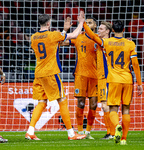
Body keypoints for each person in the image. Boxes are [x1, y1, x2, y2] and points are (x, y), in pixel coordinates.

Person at [25, 11, 87, 140]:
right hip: (50, 73)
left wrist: (64, 30)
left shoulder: (33, 37)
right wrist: (81, 22)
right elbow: (75, 35)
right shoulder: (53, 35)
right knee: (62, 101)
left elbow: (51, 45)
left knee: (42, 102)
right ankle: (71, 133)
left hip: (38, 74)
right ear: (48, 23)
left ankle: (30, 132)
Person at [83, 20, 143, 145]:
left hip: (113, 80)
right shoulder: (130, 44)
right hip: (127, 79)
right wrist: (139, 84)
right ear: (124, 30)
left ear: (113, 31)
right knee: (126, 109)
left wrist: (83, 23)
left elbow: (92, 36)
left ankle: (116, 126)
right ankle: (124, 140)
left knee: (113, 108)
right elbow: (136, 64)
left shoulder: (106, 42)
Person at [61, 16, 98, 139]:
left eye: (90, 23)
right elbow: (61, 42)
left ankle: (88, 132)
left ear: (95, 26)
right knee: (81, 103)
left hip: (95, 76)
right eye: (85, 22)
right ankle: (80, 131)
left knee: (93, 105)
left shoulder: (98, 39)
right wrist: (65, 30)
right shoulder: (78, 37)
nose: (86, 24)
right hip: (80, 75)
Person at [93, 21, 115, 139]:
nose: (99, 30)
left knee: (106, 105)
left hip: (106, 77)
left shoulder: (105, 42)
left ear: (107, 31)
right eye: (99, 28)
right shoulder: (108, 41)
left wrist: (83, 24)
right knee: (106, 106)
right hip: (102, 77)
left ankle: (111, 132)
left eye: (101, 29)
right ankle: (110, 132)